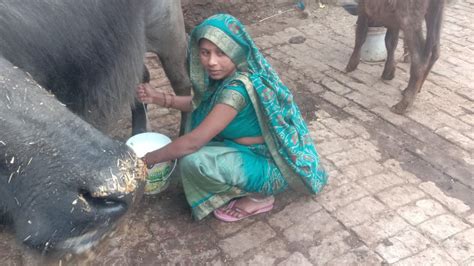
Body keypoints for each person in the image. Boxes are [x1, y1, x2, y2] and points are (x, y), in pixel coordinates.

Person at [136, 14, 327, 222]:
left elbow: (193, 143)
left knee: (192, 161)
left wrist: (147, 160)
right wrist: (159, 97)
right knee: (195, 124)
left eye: (221, 53)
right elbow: (197, 104)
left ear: (235, 51)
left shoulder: (237, 90)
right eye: (205, 53)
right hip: (245, 149)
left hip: (268, 164)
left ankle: (259, 197)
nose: (211, 62)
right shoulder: (226, 76)